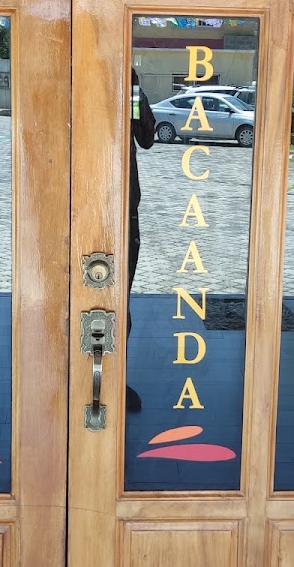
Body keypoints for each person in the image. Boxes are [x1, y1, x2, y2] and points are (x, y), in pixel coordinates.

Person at [126, 68, 155, 412]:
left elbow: (146, 137)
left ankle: (114, 377)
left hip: (125, 212)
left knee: (120, 301)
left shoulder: (127, 86)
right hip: (79, 208)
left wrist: (134, 92)